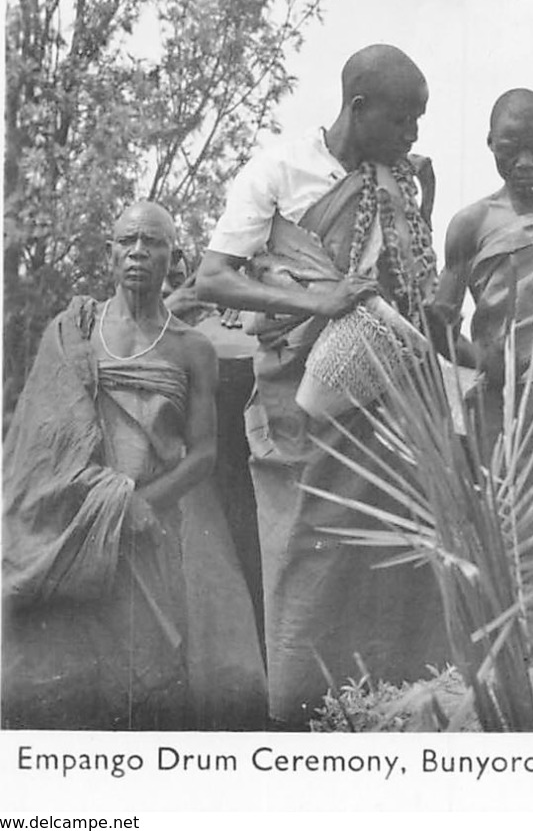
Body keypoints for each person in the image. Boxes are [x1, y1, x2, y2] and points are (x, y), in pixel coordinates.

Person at [193, 43, 449, 726]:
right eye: (402, 121)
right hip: (297, 389)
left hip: (382, 388)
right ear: (358, 109)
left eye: (418, 122)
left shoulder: (398, 178)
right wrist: (320, 303)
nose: (412, 135)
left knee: (395, 540)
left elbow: (405, 286)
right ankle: (300, 710)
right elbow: (213, 277)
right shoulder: (277, 171)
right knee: (307, 549)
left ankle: (395, 701)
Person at [4, 202, 266, 729]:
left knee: (146, 678)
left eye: (153, 242)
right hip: (71, 529)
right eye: (128, 241)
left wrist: (141, 504)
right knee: (70, 677)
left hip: (150, 531)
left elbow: (204, 453)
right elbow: (43, 444)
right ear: (111, 253)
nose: (139, 253)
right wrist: (109, 502)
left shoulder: (193, 349)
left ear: (177, 256)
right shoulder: (72, 332)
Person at [428, 89, 533, 442]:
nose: (526, 162)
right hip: (507, 407)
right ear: (490, 143)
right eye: (510, 148)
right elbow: (442, 328)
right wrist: (482, 361)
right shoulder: (471, 224)